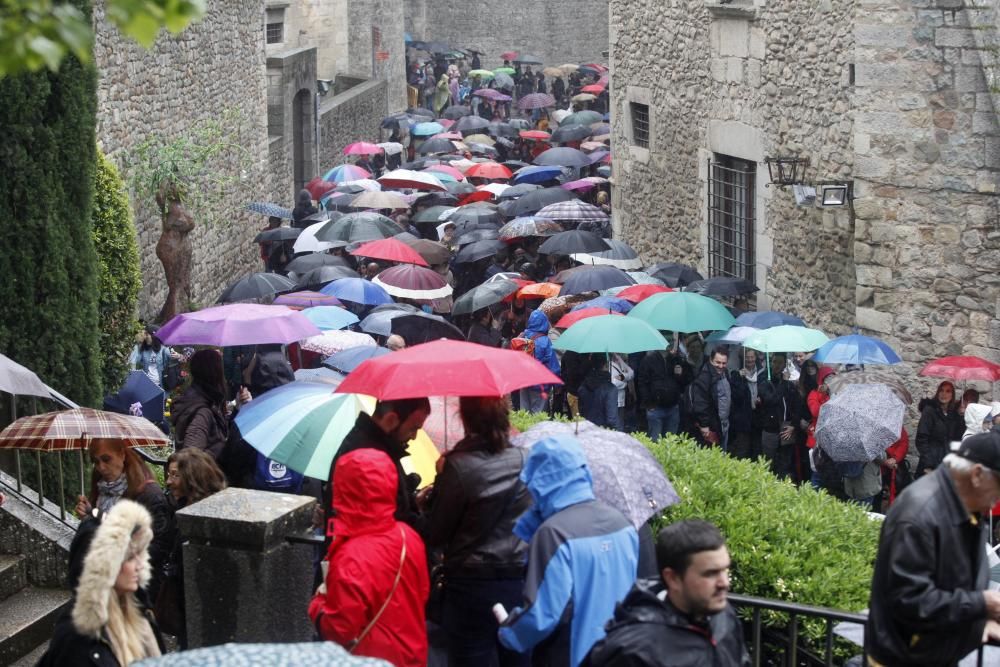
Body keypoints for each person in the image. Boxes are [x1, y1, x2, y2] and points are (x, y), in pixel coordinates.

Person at [498, 434, 639, 667]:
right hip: (617, 652)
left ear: (539, 479)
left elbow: (541, 617)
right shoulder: (622, 524)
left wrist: (508, 633)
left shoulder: (554, 533)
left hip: (571, 655)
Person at [865, 432, 1000, 665]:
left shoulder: (966, 505)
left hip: (933, 653)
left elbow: (956, 581)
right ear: (977, 474)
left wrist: (980, 623)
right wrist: (981, 603)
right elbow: (909, 601)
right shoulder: (919, 514)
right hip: (905, 658)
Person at [424, 396, 532, 667]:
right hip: (517, 581)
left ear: (465, 419)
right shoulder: (525, 460)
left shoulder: (458, 465)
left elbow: (436, 532)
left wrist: (435, 490)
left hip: (469, 587)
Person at [309, 449, 429, 666]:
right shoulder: (408, 535)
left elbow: (339, 630)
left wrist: (317, 604)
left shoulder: (351, 556)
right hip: (412, 653)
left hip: (369, 657)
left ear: (343, 489)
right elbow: (421, 592)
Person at [583, 520, 749, 667]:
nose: (724, 583)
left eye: (725, 570)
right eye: (710, 574)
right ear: (672, 578)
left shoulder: (722, 615)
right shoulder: (633, 651)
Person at [38, 500, 165, 666]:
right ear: (103, 567)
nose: (140, 565)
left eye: (140, 555)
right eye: (129, 558)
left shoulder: (139, 609)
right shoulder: (74, 638)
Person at [73, 439, 170, 598]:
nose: (101, 467)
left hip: (136, 587)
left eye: (106, 459)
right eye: (95, 462)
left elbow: (159, 546)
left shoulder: (148, 495)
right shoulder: (101, 489)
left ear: (122, 455)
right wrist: (88, 518)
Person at [324, 398, 432, 534]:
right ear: (391, 420)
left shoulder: (380, 444)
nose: (414, 436)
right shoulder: (368, 459)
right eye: (414, 428)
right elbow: (396, 521)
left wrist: (412, 501)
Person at [156, 449, 226, 645]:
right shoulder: (181, 509)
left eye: (176, 475)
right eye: (169, 475)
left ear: (194, 478)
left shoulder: (204, 519)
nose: (169, 482)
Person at [171, 350, 249, 460]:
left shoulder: (206, 401)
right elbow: (190, 460)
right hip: (209, 476)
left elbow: (219, 434)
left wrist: (237, 409)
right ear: (215, 373)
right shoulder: (201, 412)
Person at [756, 353, 800, 479]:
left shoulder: (789, 385)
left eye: (780, 363)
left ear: (785, 365)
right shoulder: (764, 381)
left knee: (784, 464)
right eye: (775, 362)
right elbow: (771, 400)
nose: (777, 365)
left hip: (786, 428)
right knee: (768, 463)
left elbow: (796, 406)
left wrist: (793, 426)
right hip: (770, 428)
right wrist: (783, 384)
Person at [638, 339, 685, 439]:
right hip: (655, 408)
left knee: (671, 443)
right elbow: (642, 382)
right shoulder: (648, 360)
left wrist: (680, 375)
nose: (670, 344)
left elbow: (682, 383)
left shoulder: (675, 359)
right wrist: (648, 403)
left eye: (671, 341)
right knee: (655, 441)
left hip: (673, 407)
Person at [515, 310, 561, 413]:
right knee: (538, 414)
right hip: (540, 385)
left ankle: (524, 429)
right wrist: (557, 384)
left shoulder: (522, 337)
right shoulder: (544, 341)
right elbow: (552, 364)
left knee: (525, 413)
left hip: (523, 382)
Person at [915, 380, 962, 476]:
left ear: (952, 395)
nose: (944, 394)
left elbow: (957, 438)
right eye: (941, 390)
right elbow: (921, 439)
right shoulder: (929, 411)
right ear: (937, 392)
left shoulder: (953, 414)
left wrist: (962, 416)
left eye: (948, 391)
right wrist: (928, 464)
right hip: (930, 463)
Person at [688, 348, 730, 449]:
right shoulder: (704, 377)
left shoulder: (724, 373)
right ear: (711, 360)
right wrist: (704, 425)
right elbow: (700, 403)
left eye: (724, 363)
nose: (721, 366)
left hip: (723, 423)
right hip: (711, 426)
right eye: (718, 362)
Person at [578, 354, 621, 430]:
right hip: (603, 432)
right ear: (605, 365)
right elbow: (612, 419)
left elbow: (582, 412)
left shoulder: (582, 387)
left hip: (586, 430)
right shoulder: (610, 389)